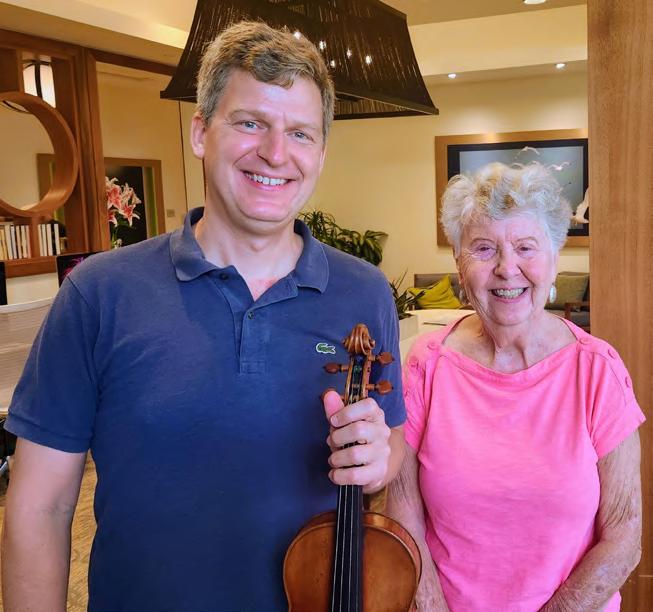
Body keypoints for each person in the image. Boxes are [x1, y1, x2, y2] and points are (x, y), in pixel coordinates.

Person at [1, 22, 405, 612]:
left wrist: (379, 460)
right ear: (200, 132)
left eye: (300, 132)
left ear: (320, 152)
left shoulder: (364, 292)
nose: (275, 153)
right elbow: (42, 506)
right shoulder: (98, 293)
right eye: (250, 123)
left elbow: (392, 444)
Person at [387, 162, 644, 611]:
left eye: (526, 247)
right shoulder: (427, 363)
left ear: (553, 259)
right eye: (484, 249)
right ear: (459, 264)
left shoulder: (597, 369)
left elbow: (624, 534)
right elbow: (403, 509)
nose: (507, 269)